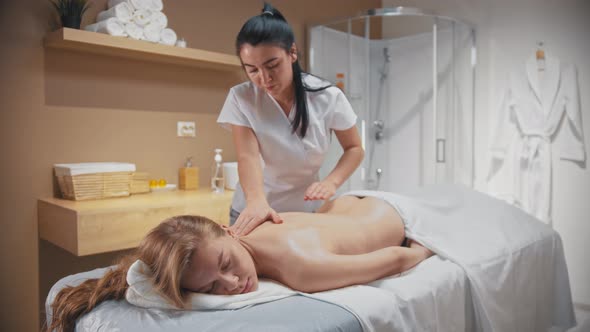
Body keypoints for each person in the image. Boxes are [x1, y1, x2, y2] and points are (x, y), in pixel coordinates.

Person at [48, 195, 433, 331]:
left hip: (390, 211)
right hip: (346, 206)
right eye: (212, 287)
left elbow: (396, 258)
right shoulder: (238, 236)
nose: (231, 283)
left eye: (226, 263)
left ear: (226, 230)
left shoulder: (301, 266)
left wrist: (425, 249)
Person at [217, 3, 364, 235]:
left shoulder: (327, 96)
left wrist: (331, 182)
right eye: (252, 70)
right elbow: (248, 157)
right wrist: (256, 203)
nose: (264, 78)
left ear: (292, 53)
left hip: (305, 211)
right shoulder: (241, 97)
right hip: (254, 210)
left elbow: (355, 148)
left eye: (272, 65)